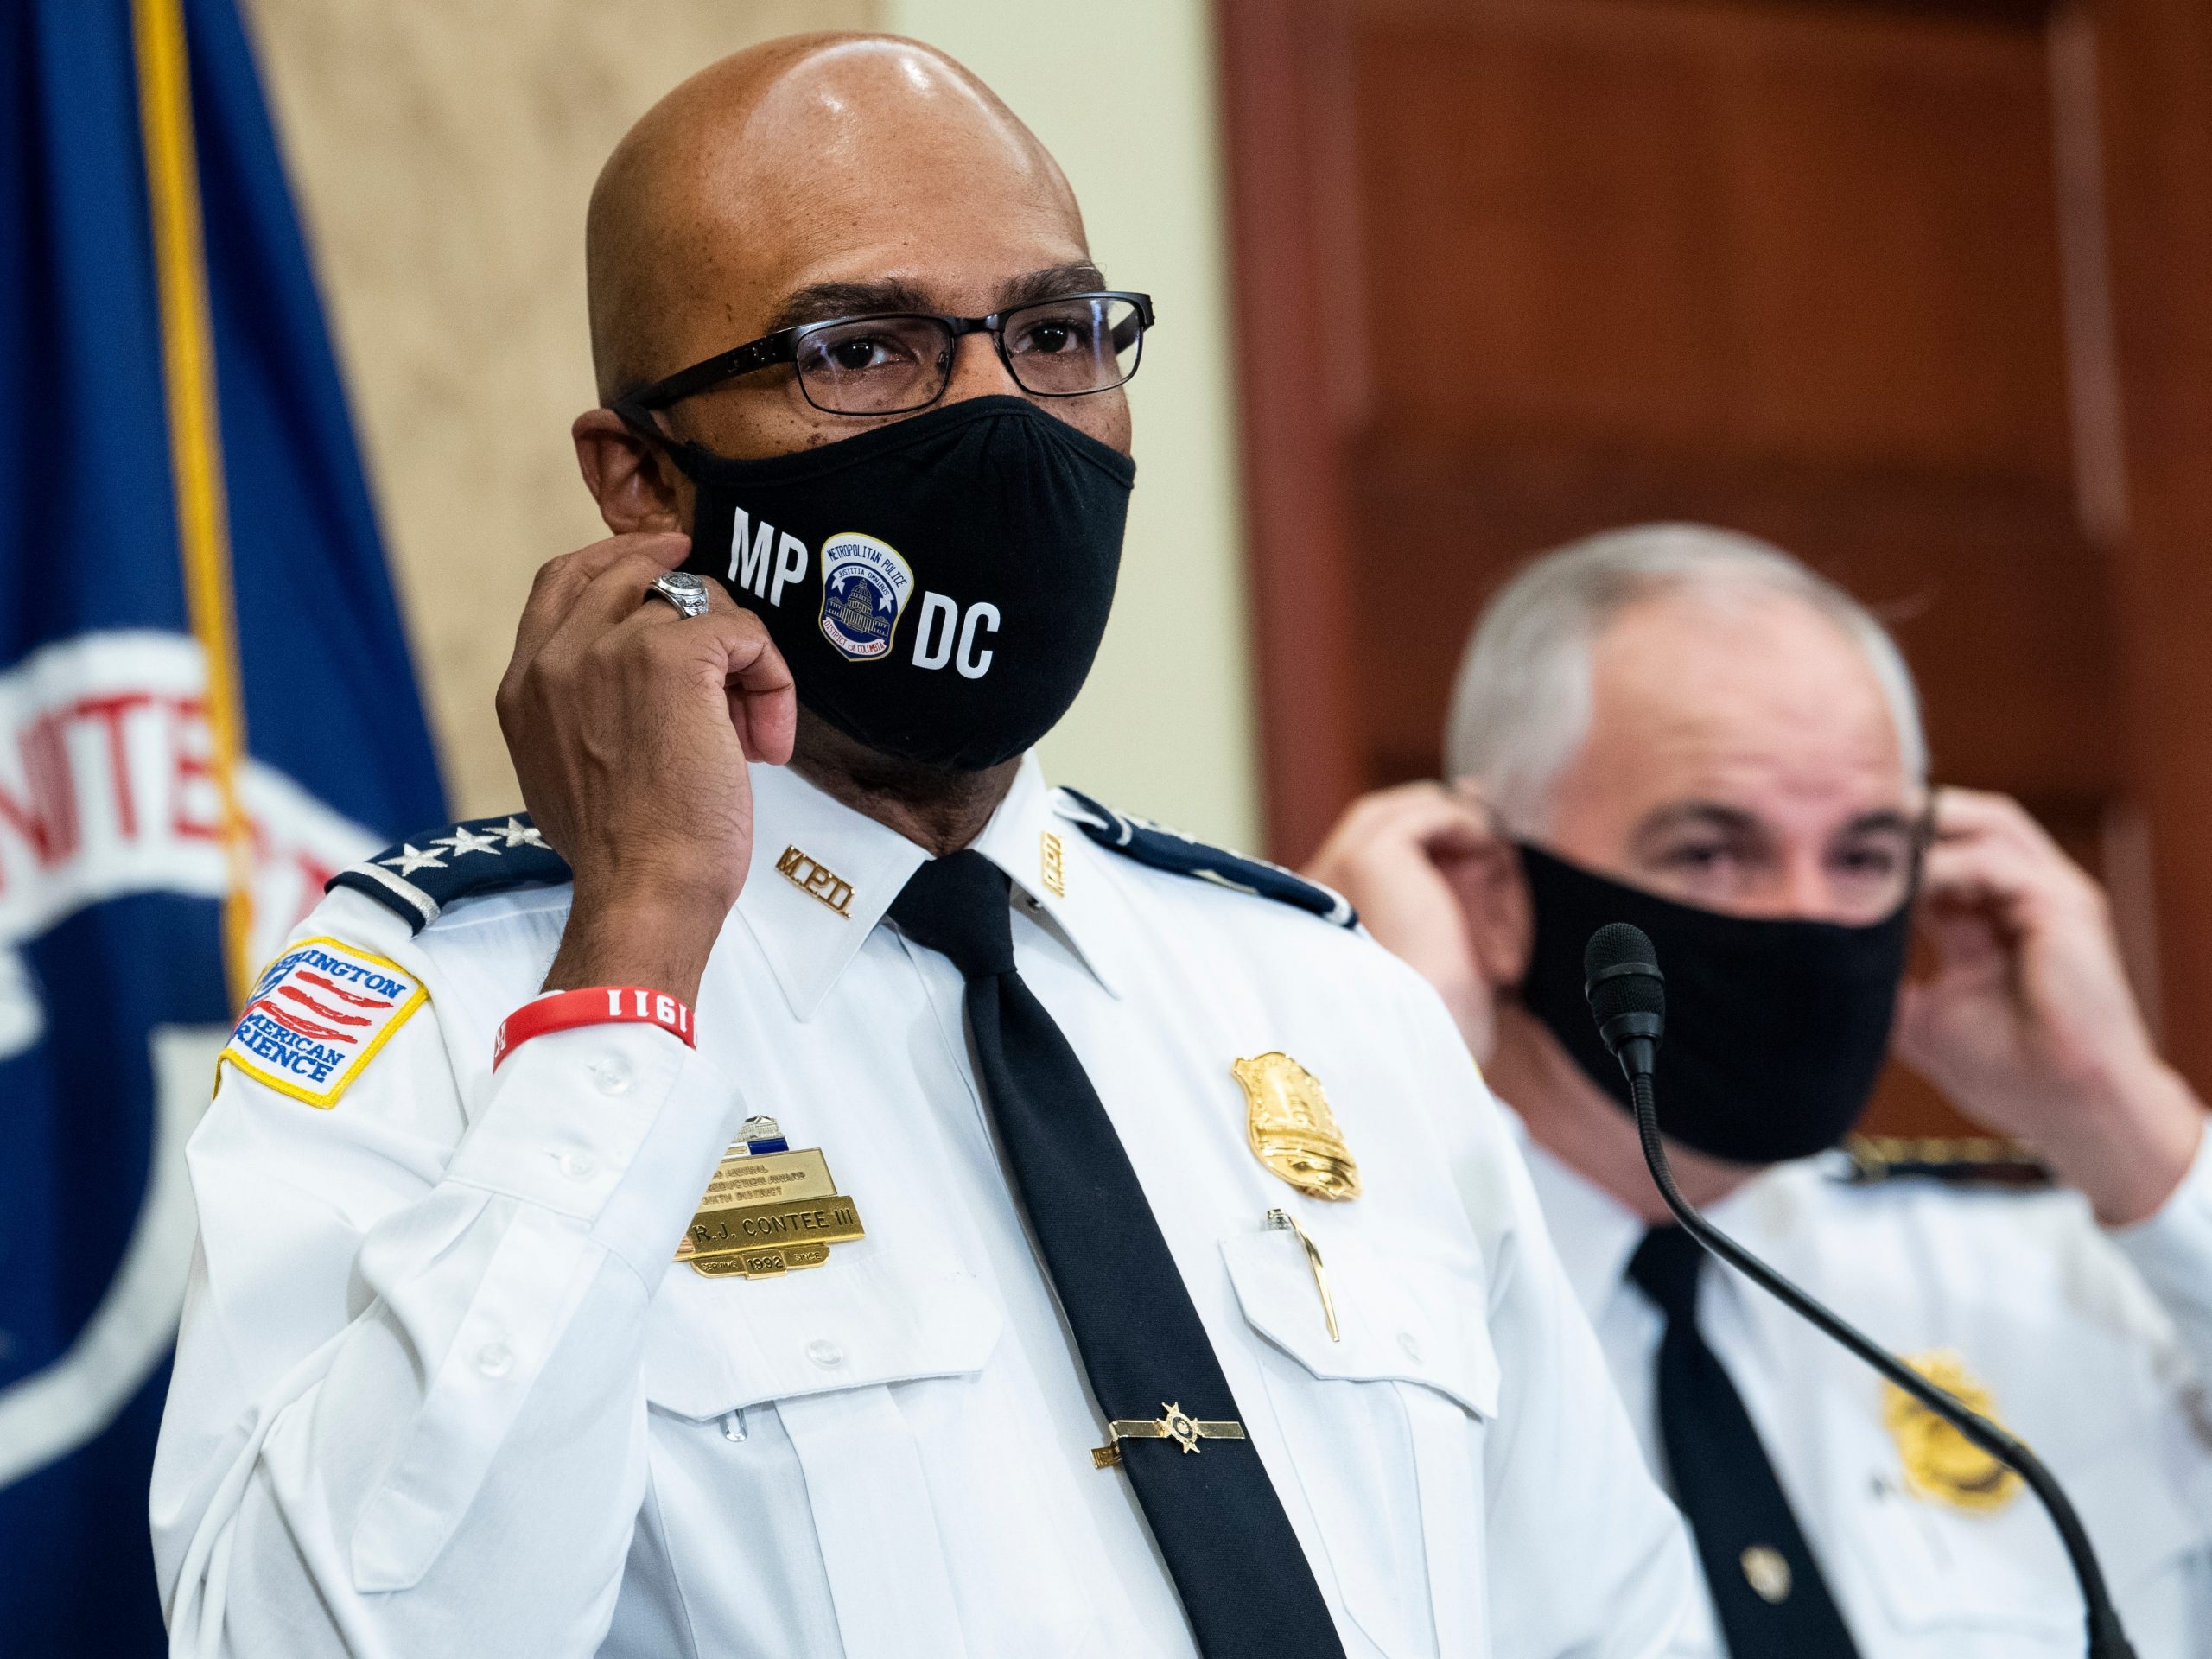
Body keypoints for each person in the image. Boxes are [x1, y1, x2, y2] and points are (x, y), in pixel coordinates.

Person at [149, 36, 1697, 1658]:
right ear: (641, 480)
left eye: (1053, 334)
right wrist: (635, 960)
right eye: (865, 352)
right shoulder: (444, 1013)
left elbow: (1607, 1626)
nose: (1002, 417)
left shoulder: (1323, 1003)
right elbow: (300, 1636)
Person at [1306, 524, 2212, 1657]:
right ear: (1489, 891)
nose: (1808, 916)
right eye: (1710, 852)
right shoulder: (1365, 1293)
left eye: (1865, 857)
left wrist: (2124, 1121)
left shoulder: (2046, 1277)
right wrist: (1388, 1083)